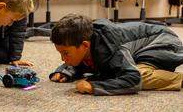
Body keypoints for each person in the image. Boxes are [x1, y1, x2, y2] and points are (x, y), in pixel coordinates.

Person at [49, 13, 183, 96]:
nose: (63, 59)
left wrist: (95, 87)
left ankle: (179, 79)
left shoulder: (111, 47)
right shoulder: (89, 42)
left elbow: (133, 80)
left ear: (85, 45)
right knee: (114, 70)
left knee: (140, 75)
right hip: (145, 44)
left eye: (65, 53)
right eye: (60, 53)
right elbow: (83, 60)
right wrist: (66, 70)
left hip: (163, 41)